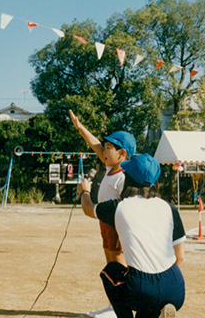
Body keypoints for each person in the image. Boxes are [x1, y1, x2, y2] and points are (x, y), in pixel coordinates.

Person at [78, 154, 186, 318]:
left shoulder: (118, 207)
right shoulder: (169, 208)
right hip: (175, 287)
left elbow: (88, 208)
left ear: (127, 177)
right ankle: (159, 309)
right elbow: (180, 257)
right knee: (147, 306)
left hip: (141, 286)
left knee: (111, 271)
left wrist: (85, 191)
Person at [70, 109, 136, 317]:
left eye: (109, 148)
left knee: (118, 264)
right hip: (104, 221)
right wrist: (80, 128)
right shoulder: (110, 168)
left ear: (122, 154)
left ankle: (120, 308)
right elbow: (94, 143)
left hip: (117, 225)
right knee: (110, 263)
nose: (103, 151)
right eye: (104, 147)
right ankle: (113, 305)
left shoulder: (123, 175)